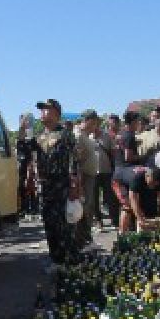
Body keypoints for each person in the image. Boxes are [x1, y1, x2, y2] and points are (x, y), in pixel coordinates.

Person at [32, 99, 81, 265]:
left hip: (63, 185)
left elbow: (74, 161)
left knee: (65, 225)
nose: (43, 113)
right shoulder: (39, 137)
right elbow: (31, 158)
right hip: (46, 187)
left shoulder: (65, 134)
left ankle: (72, 263)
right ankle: (56, 260)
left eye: (46, 109)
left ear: (56, 113)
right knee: (49, 224)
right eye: (42, 110)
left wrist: (75, 185)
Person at [111, 165, 160, 233]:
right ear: (147, 176)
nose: (153, 186)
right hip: (119, 182)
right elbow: (133, 200)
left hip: (131, 180)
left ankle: (140, 232)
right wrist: (141, 219)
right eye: (151, 183)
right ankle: (122, 233)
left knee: (145, 206)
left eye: (155, 185)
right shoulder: (136, 179)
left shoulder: (158, 182)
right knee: (128, 206)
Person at [73, 110, 101, 247]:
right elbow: (76, 161)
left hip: (89, 177)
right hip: (83, 178)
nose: (96, 125)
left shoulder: (85, 135)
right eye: (95, 122)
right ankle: (81, 240)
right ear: (88, 120)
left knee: (88, 208)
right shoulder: (78, 135)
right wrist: (80, 183)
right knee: (83, 209)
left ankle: (85, 238)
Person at [94, 113, 119, 229]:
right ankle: (99, 221)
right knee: (94, 199)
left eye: (97, 123)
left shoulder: (107, 136)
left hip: (107, 171)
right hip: (92, 173)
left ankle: (114, 220)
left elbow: (113, 153)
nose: (95, 125)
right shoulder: (87, 137)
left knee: (110, 198)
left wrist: (115, 169)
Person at [15, 114, 39, 217]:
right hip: (22, 167)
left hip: (29, 166)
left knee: (32, 187)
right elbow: (20, 137)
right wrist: (23, 125)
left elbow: (35, 150)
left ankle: (33, 208)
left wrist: (33, 165)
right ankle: (23, 209)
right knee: (22, 187)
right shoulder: (20, 140)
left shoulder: (31, 139)